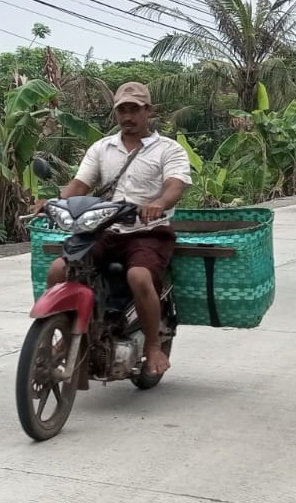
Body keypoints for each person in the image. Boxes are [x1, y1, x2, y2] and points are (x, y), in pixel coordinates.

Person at [39, 82, 190, 376]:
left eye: (135, 109)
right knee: (58, 270)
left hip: (148, 231)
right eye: (122, 109)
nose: (128, 116)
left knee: (138, 275)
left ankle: (152, 347)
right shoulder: (102, 148)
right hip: (104, 229)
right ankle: (62, 332)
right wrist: (55, 203)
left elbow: (175, 185)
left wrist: (158, 202)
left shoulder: (168, 149)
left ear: (149, 111)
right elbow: (81, 184)